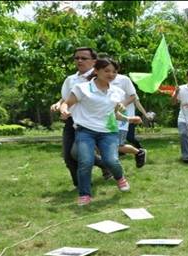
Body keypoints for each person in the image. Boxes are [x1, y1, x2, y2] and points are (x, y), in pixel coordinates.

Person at [59, 57, 142, 206]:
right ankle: (85, 194)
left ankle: (120, 177)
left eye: (114, 72)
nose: (111, 74)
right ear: (96, 71)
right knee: (86, 161)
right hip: (85, 131)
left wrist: (129, 119)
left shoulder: (117, 92)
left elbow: (113, 114)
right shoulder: (82, 88)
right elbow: (66, 103)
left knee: (111, 160)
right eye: (107, 71)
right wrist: (64, 111)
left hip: (108, 132)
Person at [50, 47, 110, 186]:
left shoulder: (100, 78)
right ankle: (80, 185)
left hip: (92, 121)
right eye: (76, 58)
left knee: (77, 152)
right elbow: (66, 99)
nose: (79, 61)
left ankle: (105, 165)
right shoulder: (70, 79)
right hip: (72, 120)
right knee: (68, 156)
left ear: (94, 61)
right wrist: (59, 105)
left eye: (84, 58)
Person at [111, 72, 147, 168]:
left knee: (122, 142)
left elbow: (135, 99)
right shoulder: (97, 80)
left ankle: (139, 152)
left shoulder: (124, 80)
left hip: (124, 117)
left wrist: (145, 114)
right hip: (108, 117)